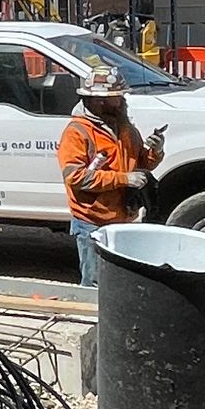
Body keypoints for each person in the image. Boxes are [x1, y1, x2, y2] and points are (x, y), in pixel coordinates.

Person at [56, 66, 164, 286]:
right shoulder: (77, 132)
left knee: (117, 284)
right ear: (98, 101)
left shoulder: (125, 128)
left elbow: (142, 163)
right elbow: (76, 179)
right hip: (92, 222)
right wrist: (124, 179)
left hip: (121, 220)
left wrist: (156, 151)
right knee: (95, 284)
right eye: (116, 97)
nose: (122, 101)